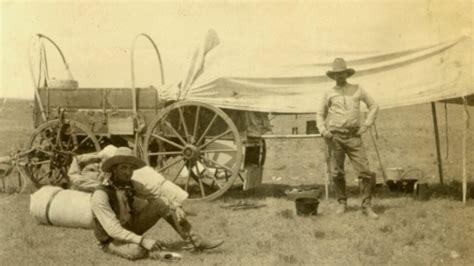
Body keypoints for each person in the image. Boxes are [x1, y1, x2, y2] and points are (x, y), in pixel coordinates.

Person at [76, 146, 223, 260]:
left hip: (132, 227)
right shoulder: (100, 195)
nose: (128, 172)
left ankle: (195, 242)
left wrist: (175, 206)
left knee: (160, 203)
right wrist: (143, 240)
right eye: (123, 168)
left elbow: (157, 194)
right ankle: (155, 252)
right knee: (136, 250)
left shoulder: (131, 184)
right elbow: (113, 230)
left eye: (131, 168)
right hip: (111, 239)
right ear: (114, 169)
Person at [316, 58, 379, 219]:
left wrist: (366, 125)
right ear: (333, 76)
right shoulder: (328, 93)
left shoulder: (357, 89)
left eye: (342, 73)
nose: (340, 76)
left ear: (346, 73)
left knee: (365, 172)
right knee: (337, 173)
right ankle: (341, 203)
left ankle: (366, 206)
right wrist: (323, 130)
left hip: (354, 137)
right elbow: (320, 114)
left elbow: (374, 106)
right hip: (335, 137)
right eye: (336, 74)